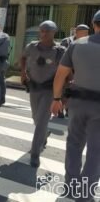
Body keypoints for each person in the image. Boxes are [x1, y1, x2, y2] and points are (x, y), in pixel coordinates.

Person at [50, 11, 100, 201]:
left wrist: (56, 99)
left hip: (78, 104)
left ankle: (71, 186)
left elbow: (60, 75)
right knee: (97, 151)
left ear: (94, 24)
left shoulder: (77, 44)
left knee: (74, 145)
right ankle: (85, 195)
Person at [21, 20, 66, 168]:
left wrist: (62, 94)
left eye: (47, 31)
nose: (44, 34)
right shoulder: (32, 46)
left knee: (41, 121)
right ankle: (44, 133)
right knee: (36, 117)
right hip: (34, 87)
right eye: (42, 31)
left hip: (49, 89)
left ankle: (35, 154)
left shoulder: (60, 51)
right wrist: (23, 73)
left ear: (54, 32)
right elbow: (23, 57)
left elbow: (65, 71)